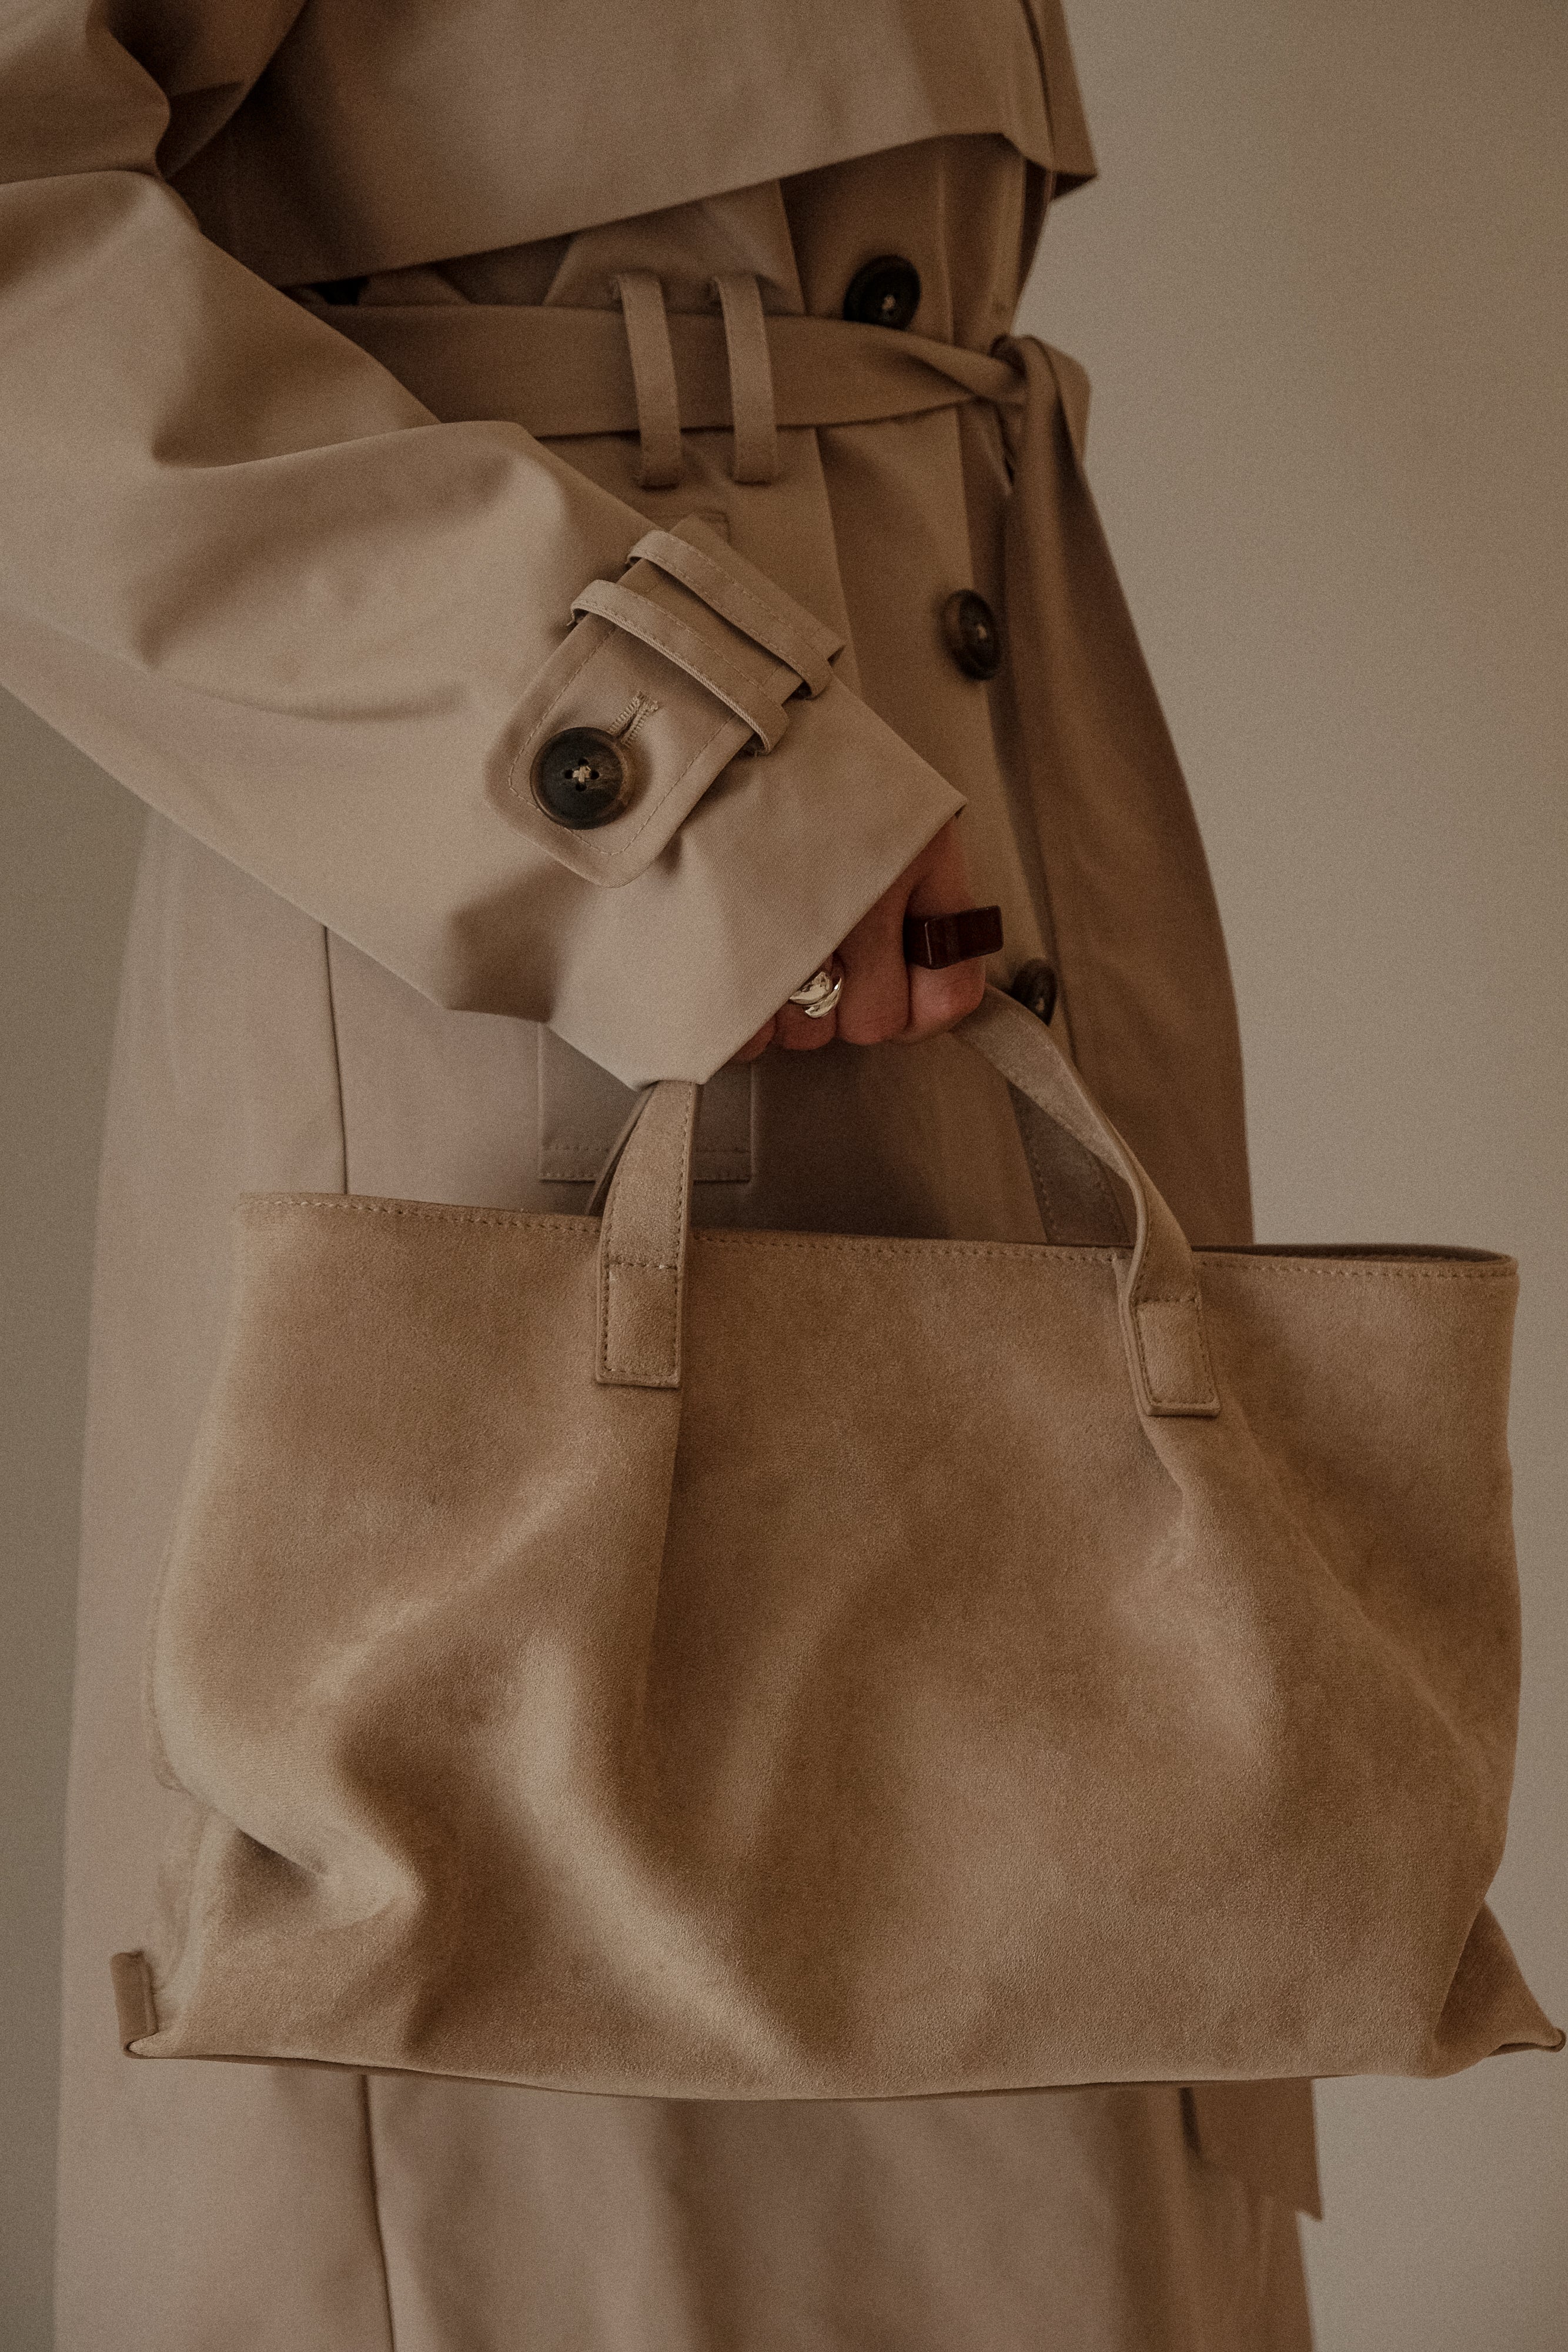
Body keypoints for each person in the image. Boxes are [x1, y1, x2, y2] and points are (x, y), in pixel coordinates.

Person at [2, 1, 1319, 2343]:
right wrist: (666, 758)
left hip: (940, 821)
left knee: (1087, 1958)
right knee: (570, 2111)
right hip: (561, 901)